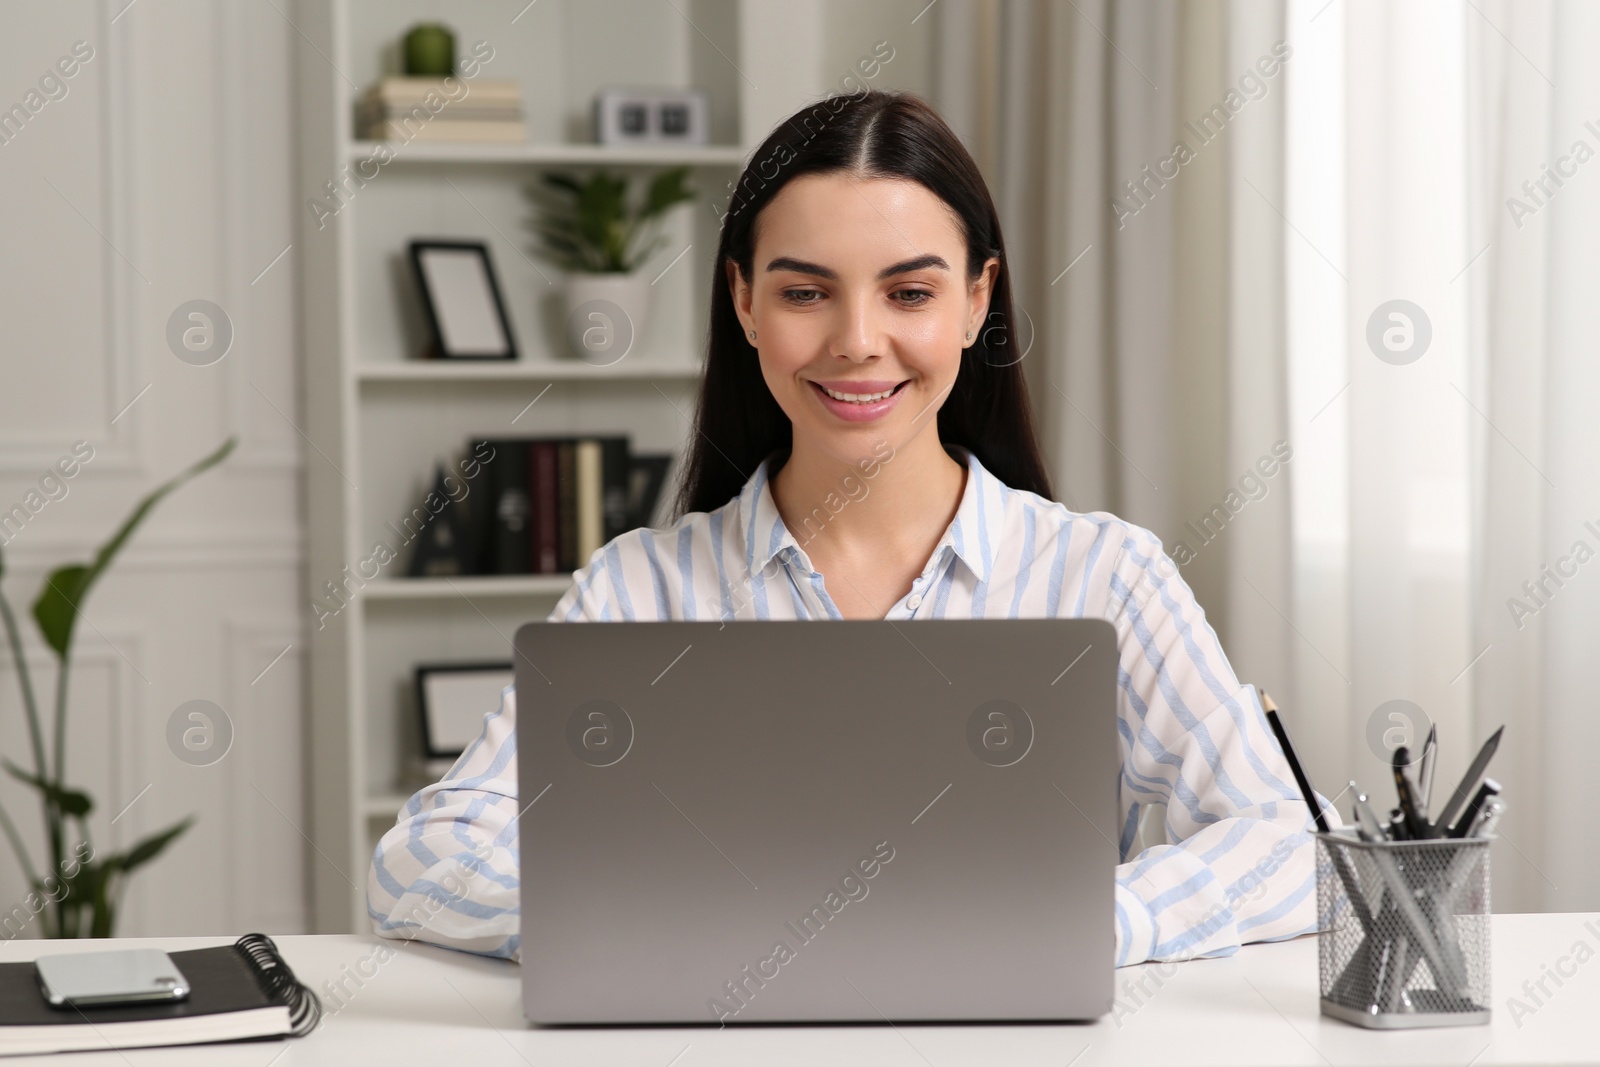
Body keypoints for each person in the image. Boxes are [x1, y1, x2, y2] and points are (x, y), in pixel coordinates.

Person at [368, 88, 1329, 969]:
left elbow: (1291, 840)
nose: (857, 340)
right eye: (804, 291)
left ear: (977, 301)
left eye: (909, 292)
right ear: (745, 302)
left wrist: (1091, 916)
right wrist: (644, 915)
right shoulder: (639, 590)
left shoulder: (1102, 573)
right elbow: (421, 860)